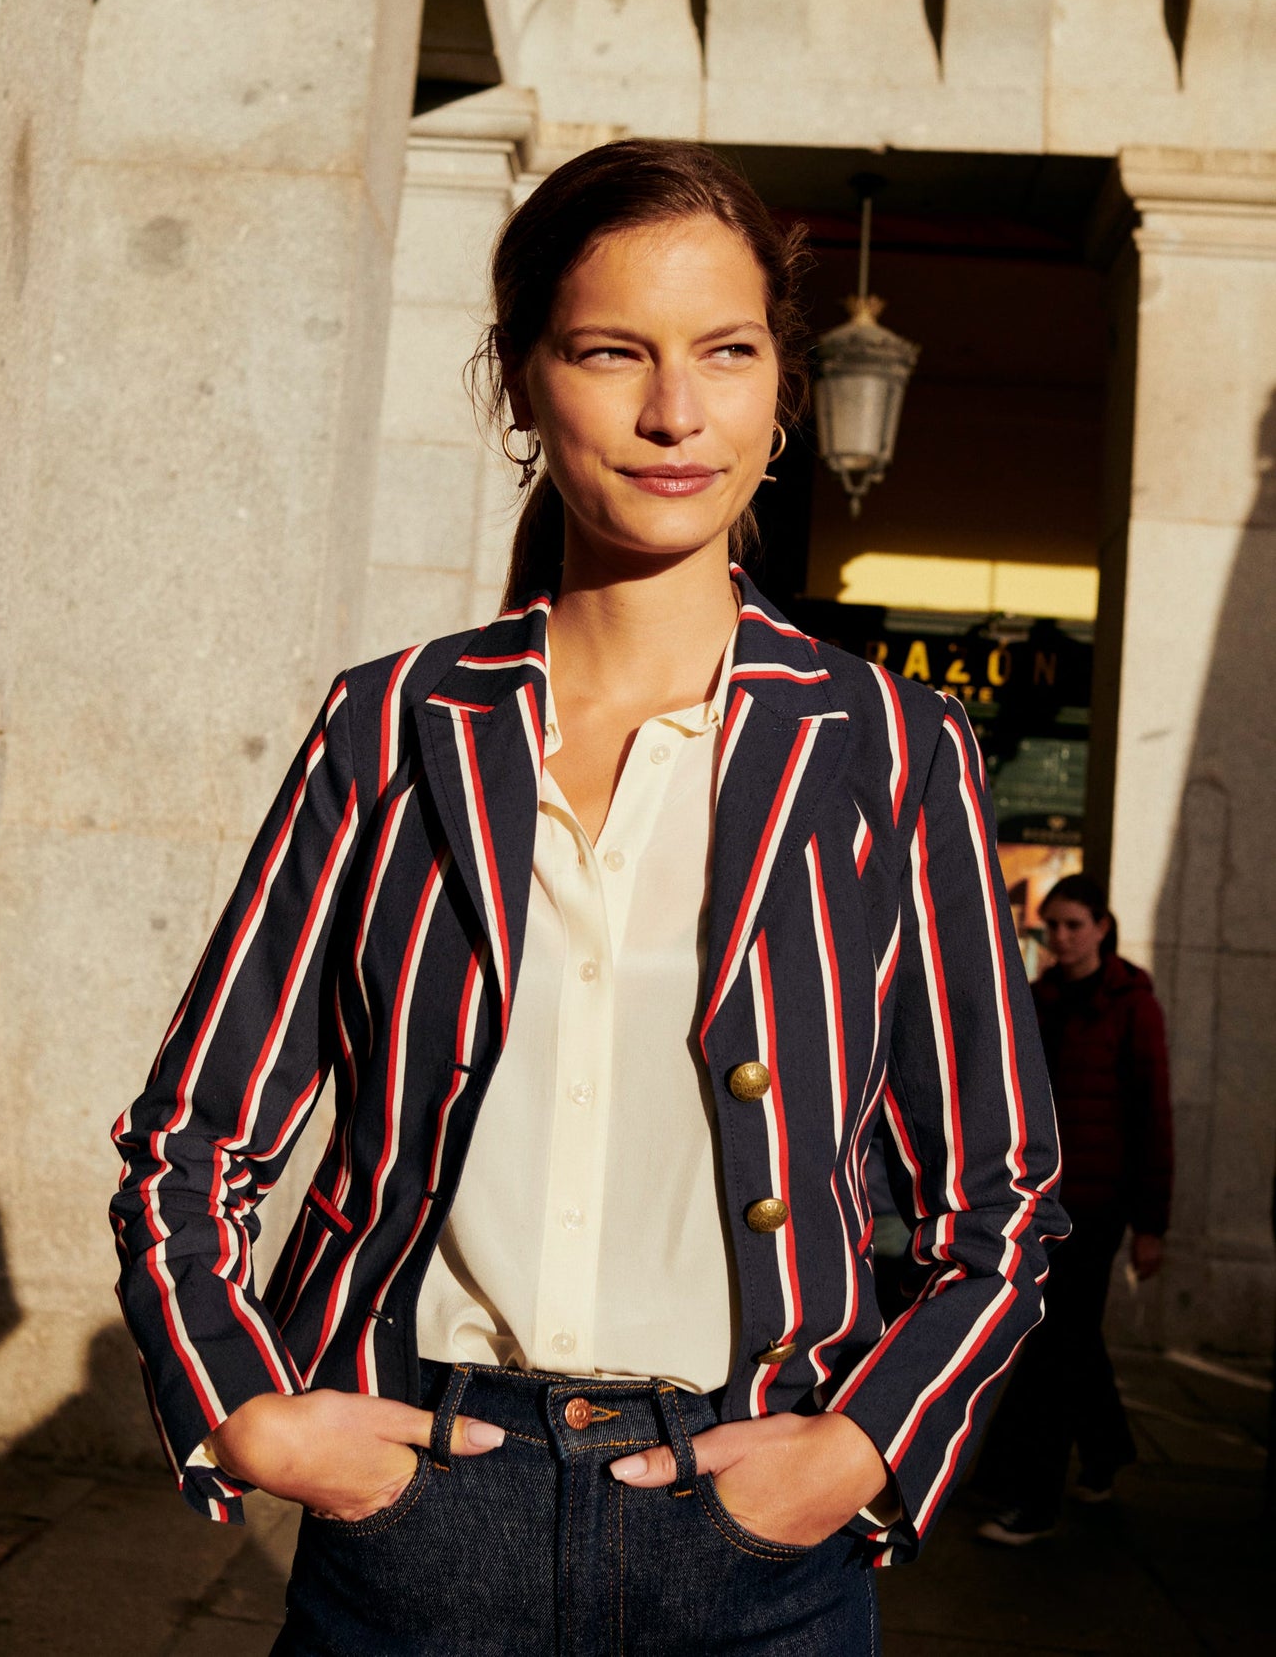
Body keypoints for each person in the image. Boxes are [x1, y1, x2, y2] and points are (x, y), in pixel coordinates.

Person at [110, 139, 1068, 1655]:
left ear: (780, 386)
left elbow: (998, 1199)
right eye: (613, 351)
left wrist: (865, 1447)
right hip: (417, 1518)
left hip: (754, 1538)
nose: (675, 413)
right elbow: (190, 1142)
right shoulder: (392, 725)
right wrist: (246, 1410)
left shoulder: (888, 746)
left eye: (726, 352)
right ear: (520, 380)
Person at [976, 872, 1173, 1546]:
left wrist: (1151, 1226)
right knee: (1073, 1336)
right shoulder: (1038, 1000)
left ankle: (1032, 1499)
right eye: (1051, 926)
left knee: (1054, 1343)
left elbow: (1153, 1118)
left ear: (1101, 928)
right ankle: (1108, 1449)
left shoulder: (1133, 1005)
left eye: (1072, 925)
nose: (1059, 938)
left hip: (1099, 1206)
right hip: (1040, 1201)